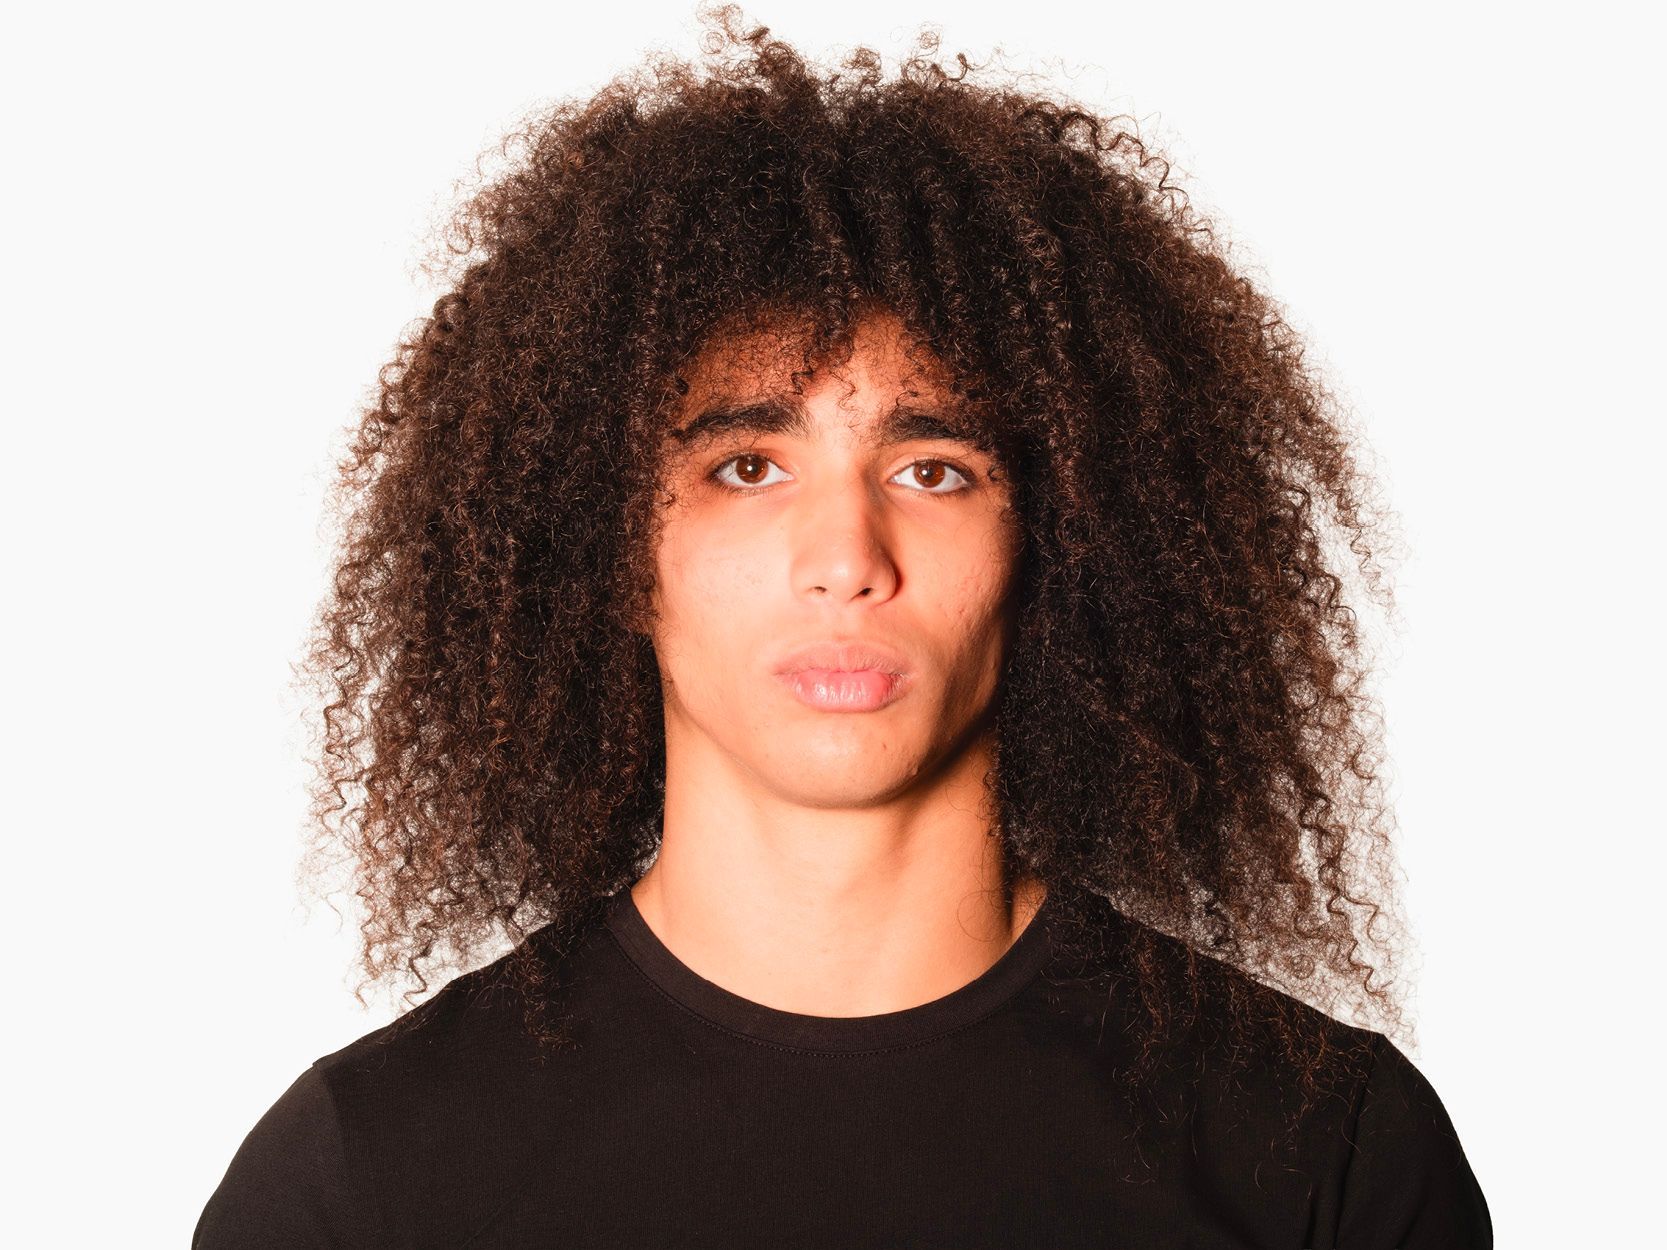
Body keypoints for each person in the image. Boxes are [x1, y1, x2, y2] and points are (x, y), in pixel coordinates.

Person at [193, 8, 1492, 1247]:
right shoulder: (360, 1190)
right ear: (606, 545)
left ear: (1059, 539)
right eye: (747, 467)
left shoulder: (1326, 1159)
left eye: (935, 468)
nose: (846, 561)